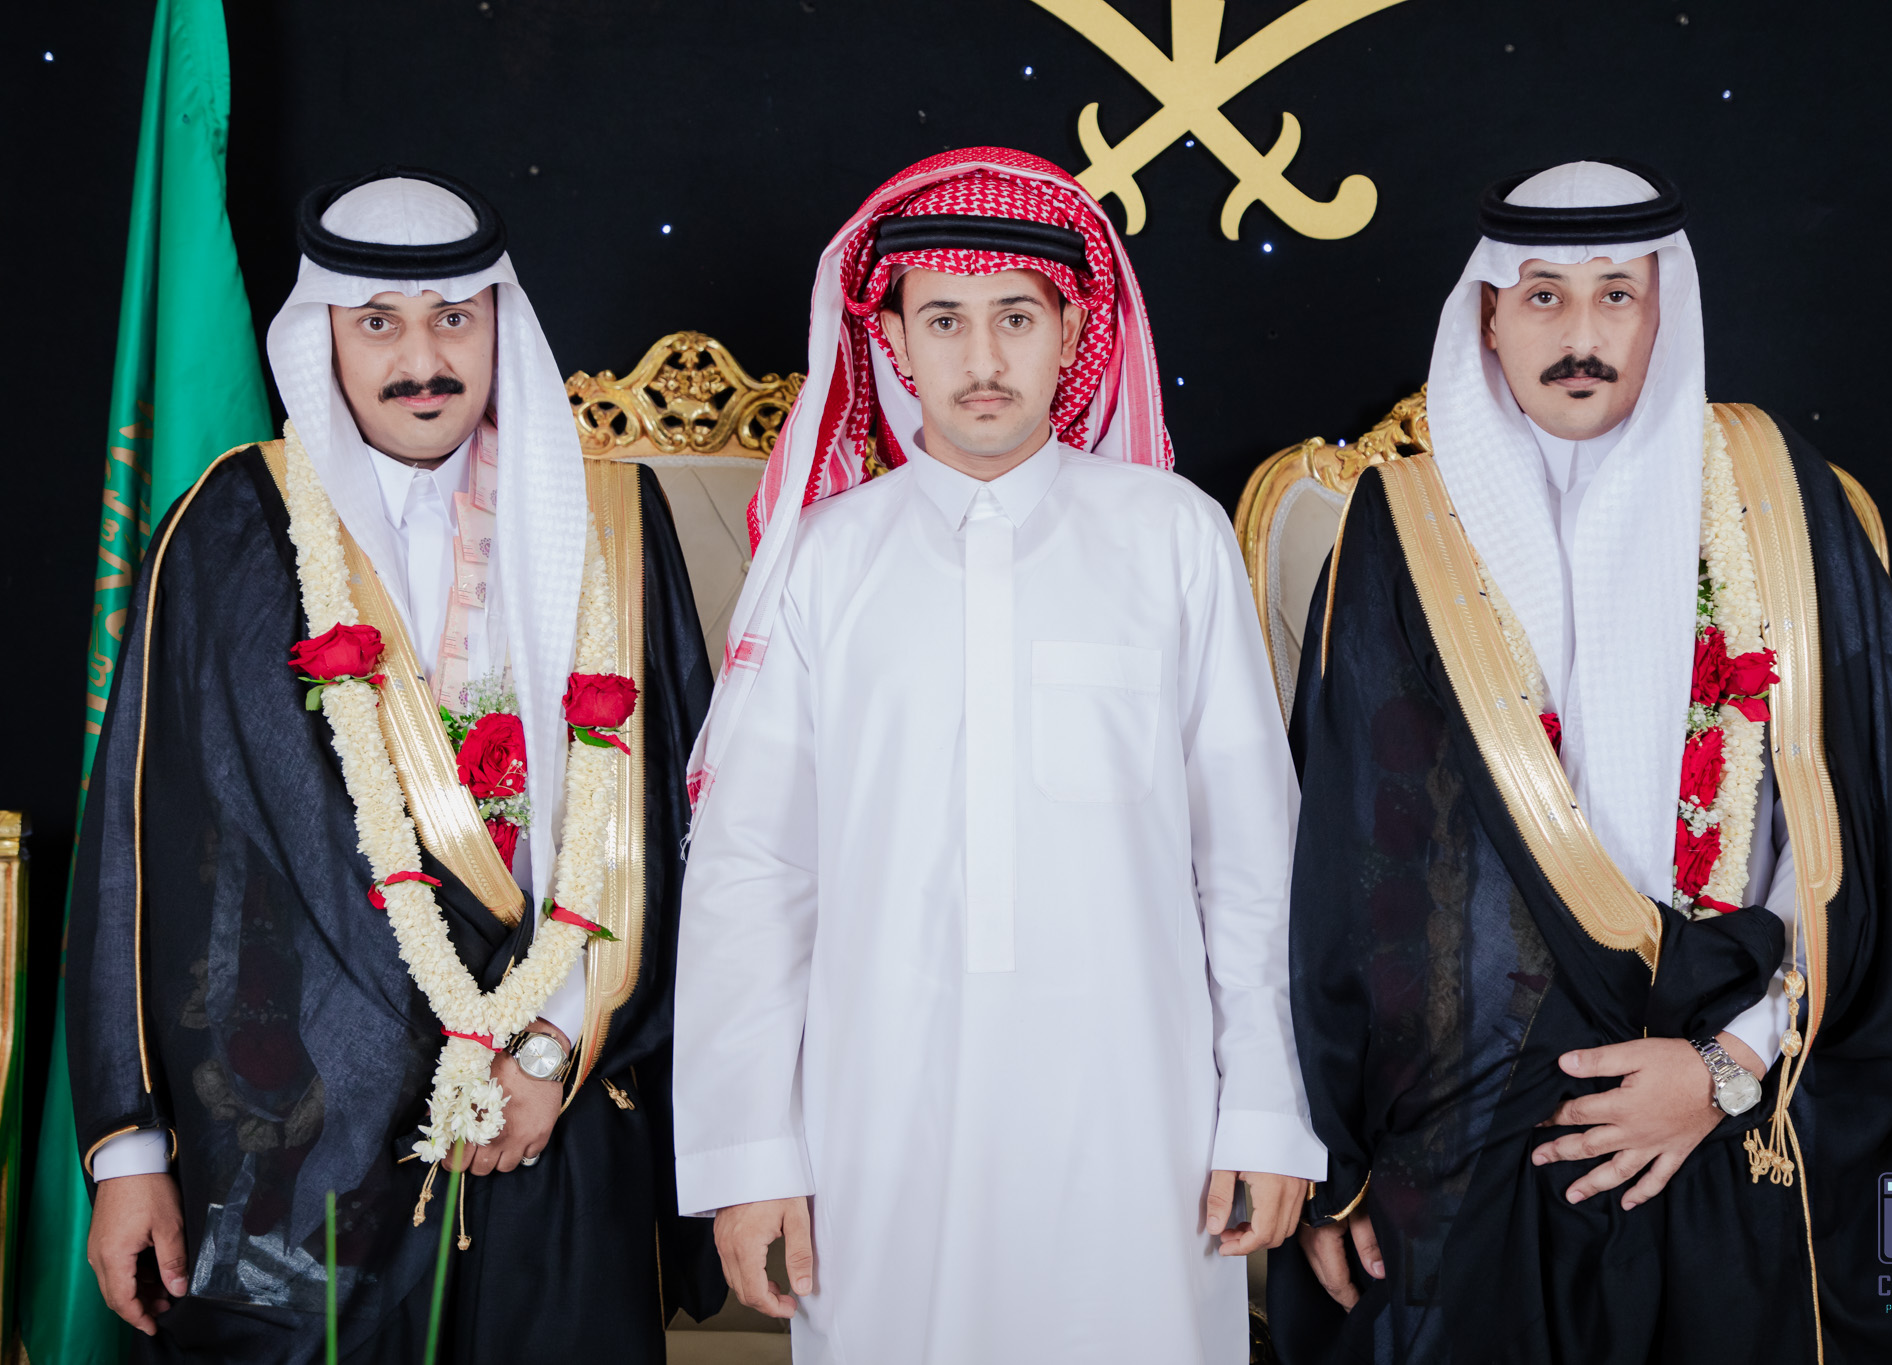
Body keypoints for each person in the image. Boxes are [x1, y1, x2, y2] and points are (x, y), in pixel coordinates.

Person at [1268, 161, 1892, 1363]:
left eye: (1615, 296)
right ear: (1487, 316)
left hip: (1749, 1071)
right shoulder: (1398, 529)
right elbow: (1344, 870)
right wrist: (1336, 1166)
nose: (1579, 338)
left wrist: (1724, 1065)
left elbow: (1863, 839)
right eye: (1542, 296)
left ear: (1662, 312)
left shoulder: (1776, 498)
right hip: (1476, 1103)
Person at [667, 147, 1326, 1364]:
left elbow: (1249, 861)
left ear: (1072, 331)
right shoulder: (823, 560)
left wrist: (1266, 1112)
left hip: (1139, 1119)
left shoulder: (1171, 539)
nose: (981, 359)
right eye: (944, 321)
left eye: (1015, 318)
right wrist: (748, 1156)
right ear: (891, 342)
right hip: (876, 1124)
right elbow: (753, 875)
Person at [69, 170, 724, 1362]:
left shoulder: (609, 523)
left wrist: (549, 1046)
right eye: (377, 323)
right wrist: (129, 1150)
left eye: (453, 318)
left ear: (497, 325)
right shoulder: (228, 527)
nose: (421, 359)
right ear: (321, 333)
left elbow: (678, 826)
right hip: (295, 1144)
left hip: (555, 1106)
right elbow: (137, 845)